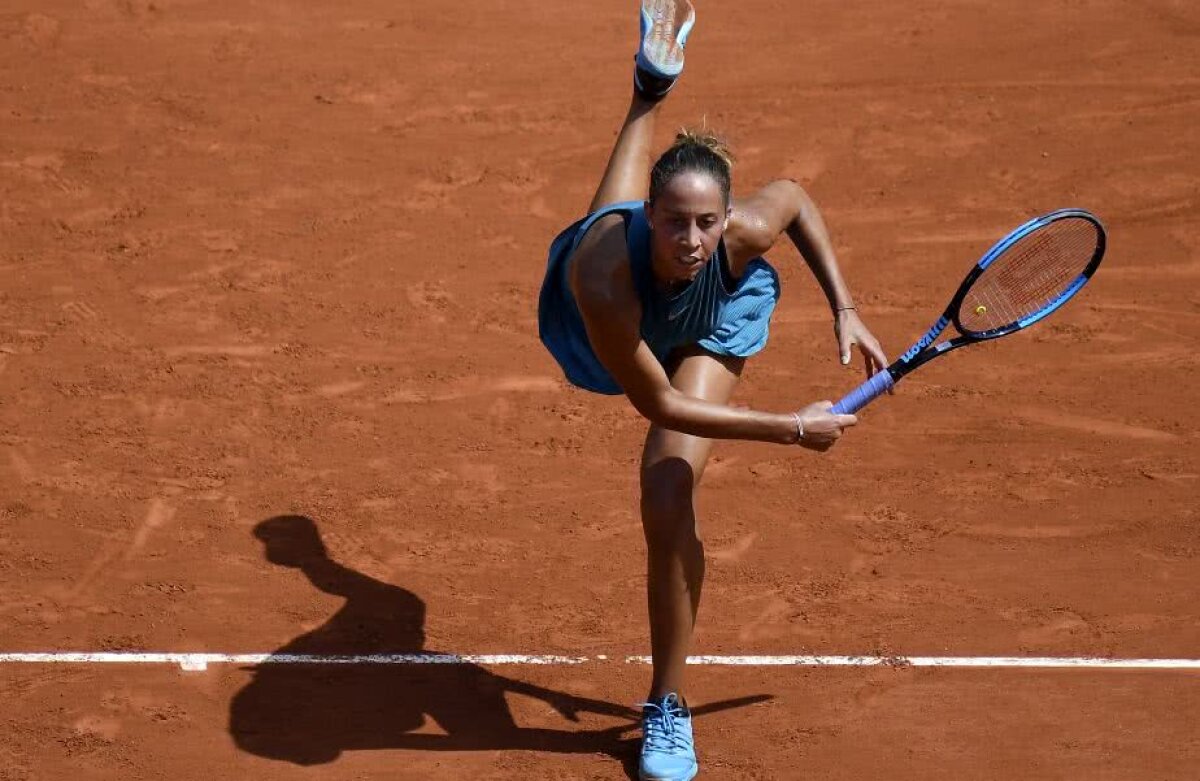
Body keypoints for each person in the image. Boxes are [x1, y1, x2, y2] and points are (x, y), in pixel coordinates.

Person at [537, 2, 888, 779]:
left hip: (710, 315)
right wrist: (792, 428)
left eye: (706, 222)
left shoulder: (733, 241)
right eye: (673, 223)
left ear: (726, 218)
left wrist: (846, 306)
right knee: (605, 222)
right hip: (608, 316)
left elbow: (792, 194)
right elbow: (658, 400)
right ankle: (647, 91)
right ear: (653, 219)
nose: (691, 240)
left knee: (666, 491)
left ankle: (667, 703)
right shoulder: (603, 274)